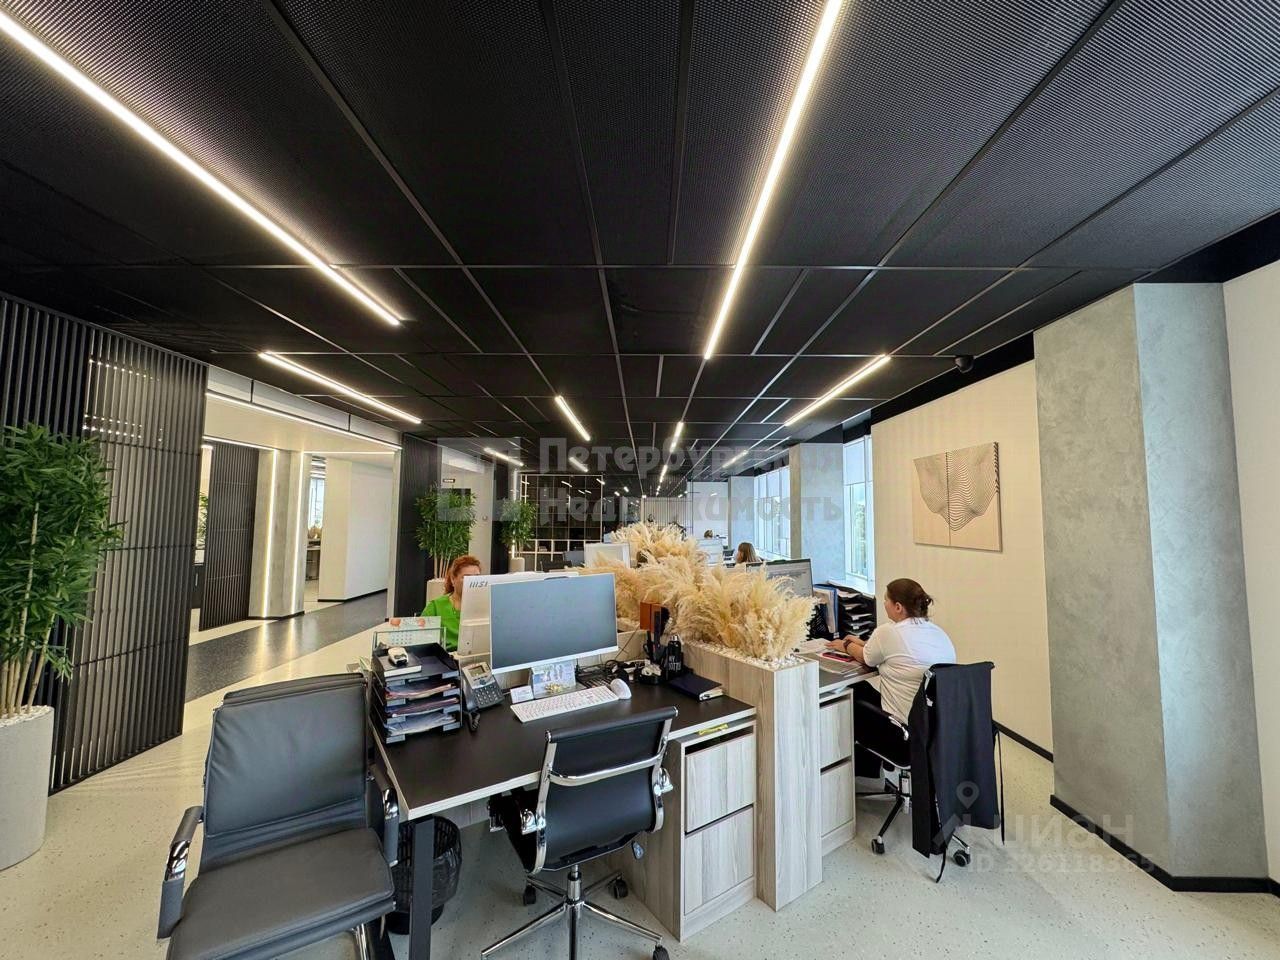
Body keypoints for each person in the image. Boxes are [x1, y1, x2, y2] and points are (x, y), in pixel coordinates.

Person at [828, 579, 956, 779]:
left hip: (903, 735)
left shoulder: (888, 632)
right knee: (862, 689)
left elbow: (866, 658)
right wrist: (863, 643)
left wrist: (846, 645)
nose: (884, 603)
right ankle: (870, 774)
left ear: (898, 607)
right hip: (939, 730)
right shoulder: (938, 633)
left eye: (886, 600)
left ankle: (850, 774)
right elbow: (891, 651)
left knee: (849, 697)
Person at [421, 554, 481, 651]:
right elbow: (421, 641)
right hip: (448, 657)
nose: (473, 582)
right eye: (466, 577)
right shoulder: (436, 607)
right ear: (453, 579)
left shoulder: (487, 605)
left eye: (477, 578)